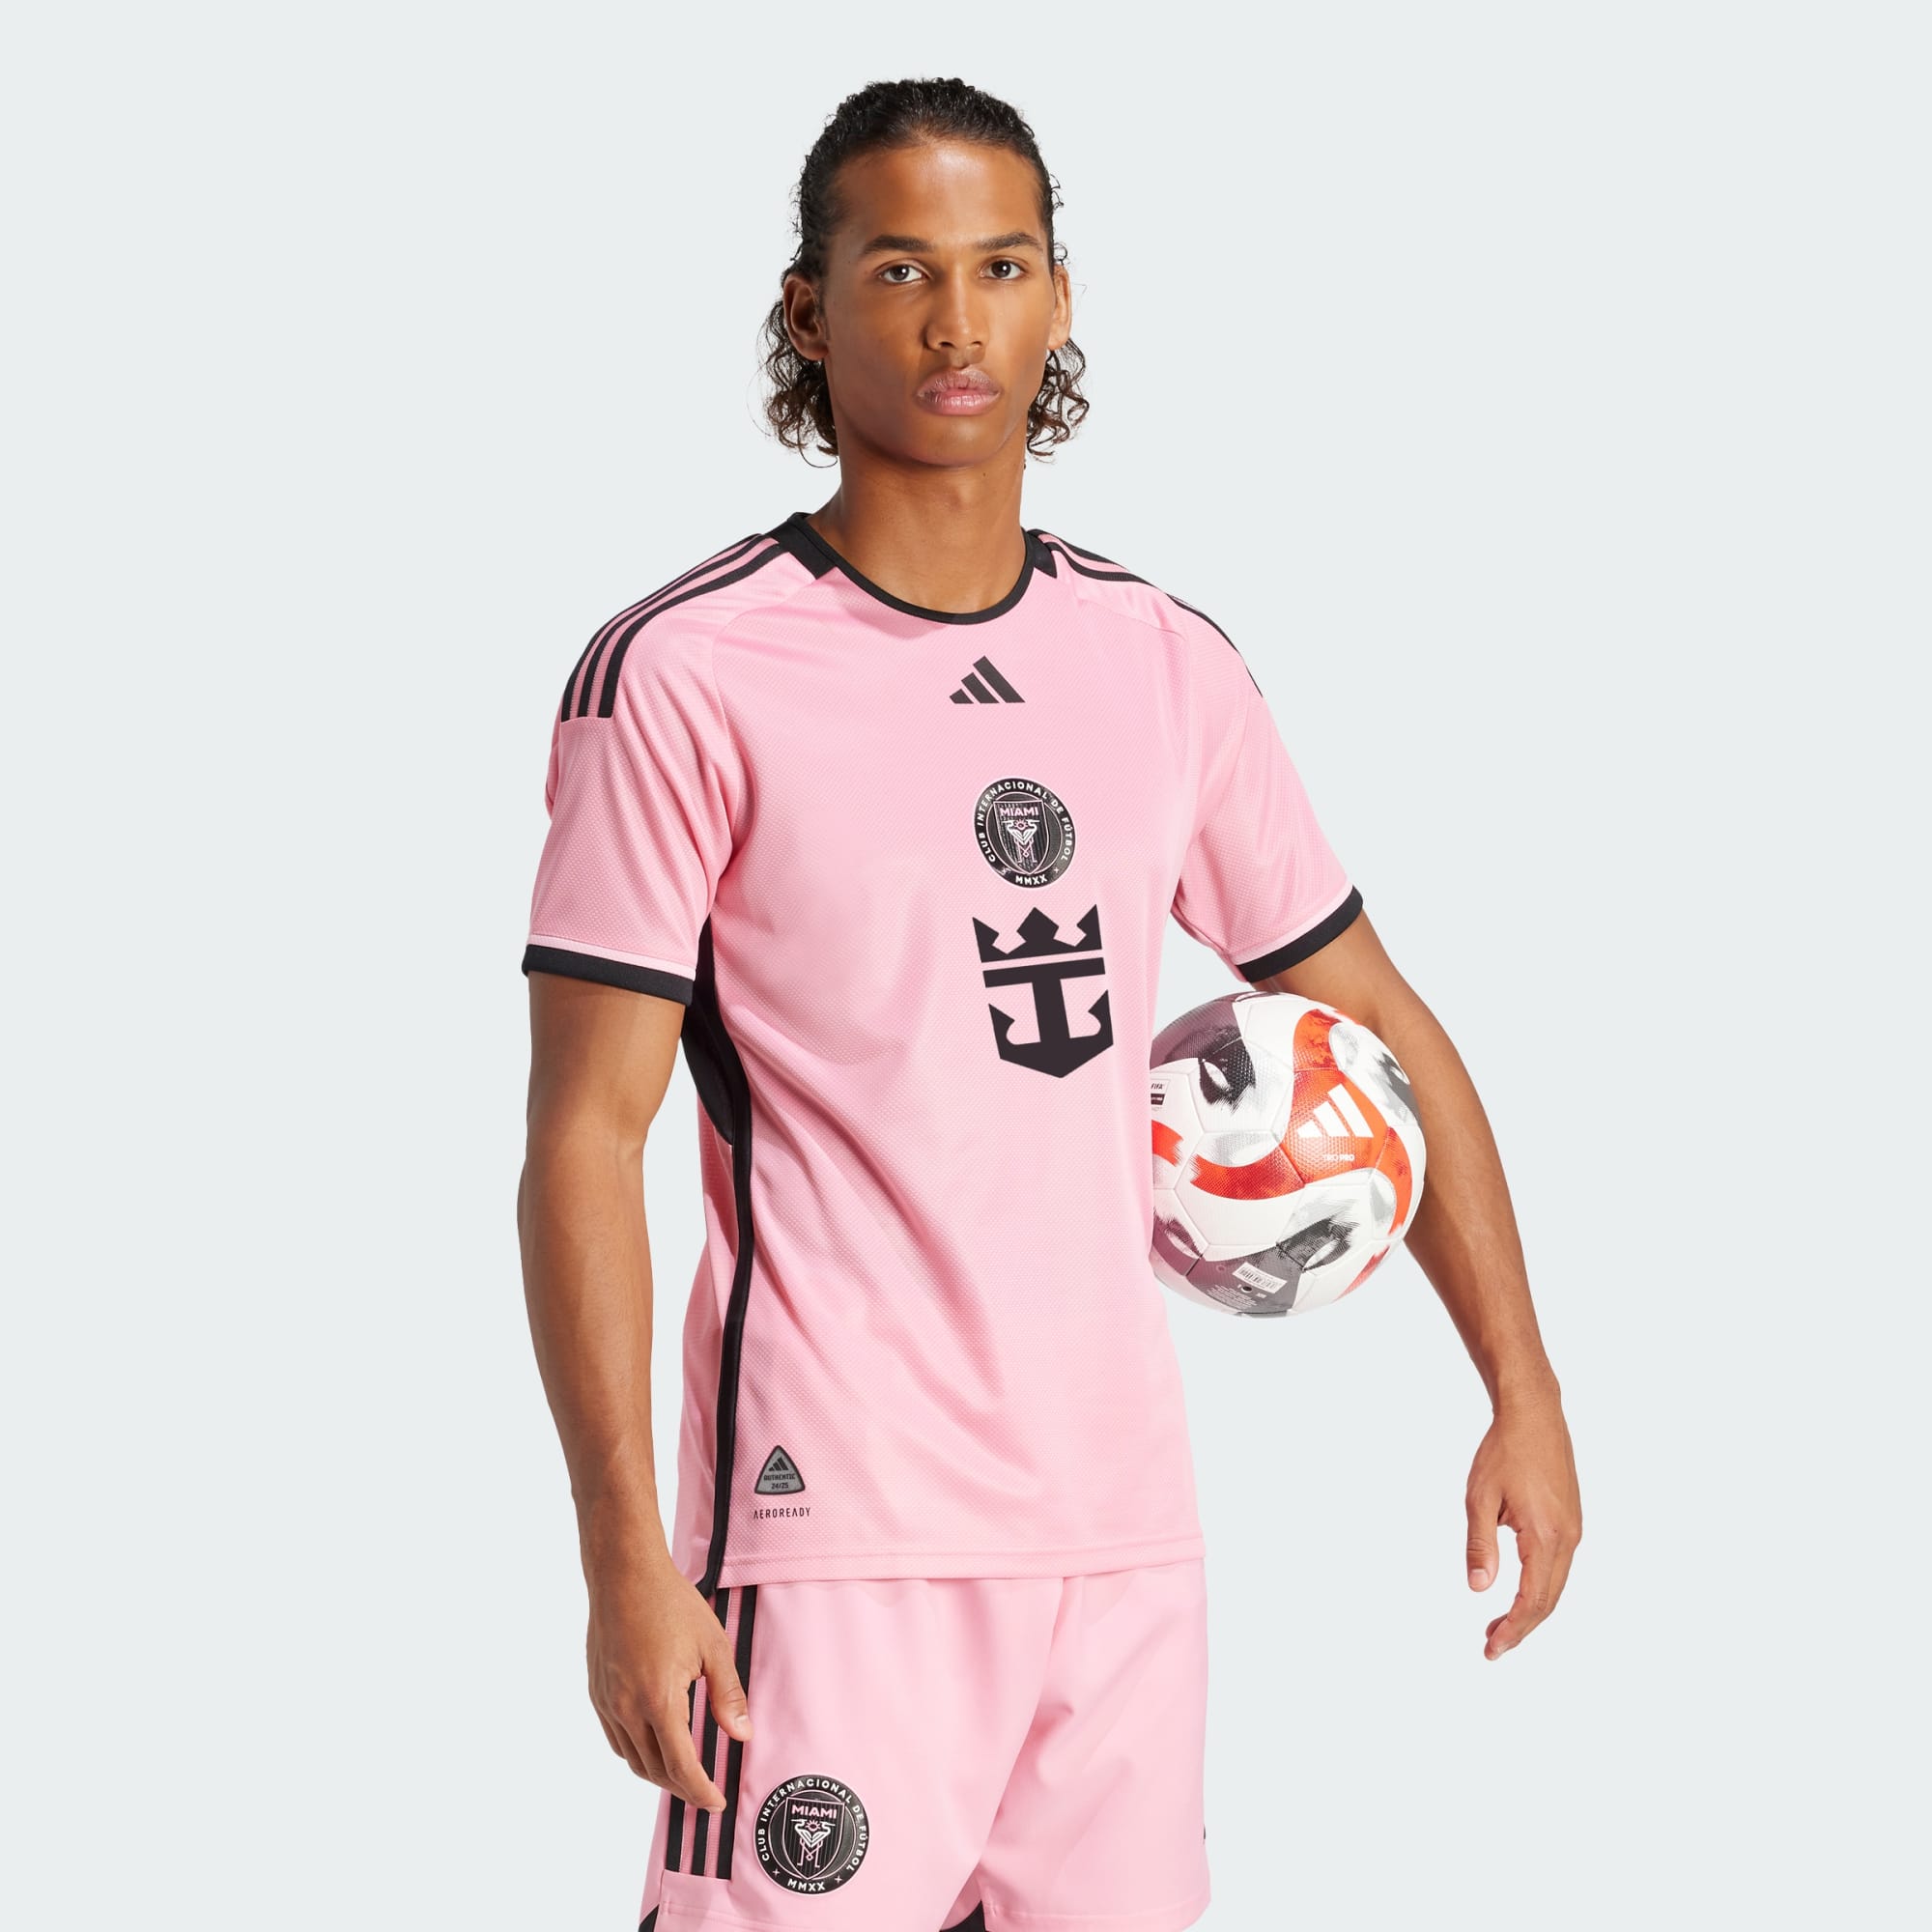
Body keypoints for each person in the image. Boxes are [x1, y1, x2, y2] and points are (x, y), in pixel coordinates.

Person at [516, 75, 1581, 1932]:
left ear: (1060, 298)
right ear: (807, 310)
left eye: (1001, 267)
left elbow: (1386, 1025)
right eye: (900, 269)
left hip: (1123, 1532)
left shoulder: (1160, 664)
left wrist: (1524, 1386)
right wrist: (623, 1549)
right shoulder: (687, 671)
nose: (957, 322)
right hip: (835, 1534)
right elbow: (583, 1140)